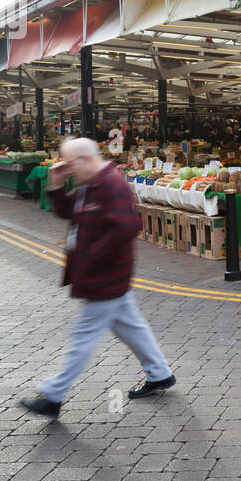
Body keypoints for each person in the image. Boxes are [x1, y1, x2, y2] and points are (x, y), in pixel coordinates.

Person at [18, 137, 175, 419]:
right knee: (130, 326)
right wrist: (55, 184)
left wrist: (91, 259)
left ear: (86, 160)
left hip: (106, 277)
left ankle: (53, 395)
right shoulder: (90, 183)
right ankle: (160, 373)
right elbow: (69, 213)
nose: (68, 169)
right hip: (106, 276)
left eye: (70, 164)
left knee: (83, 337)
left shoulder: (110, 185)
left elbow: (127, 227)